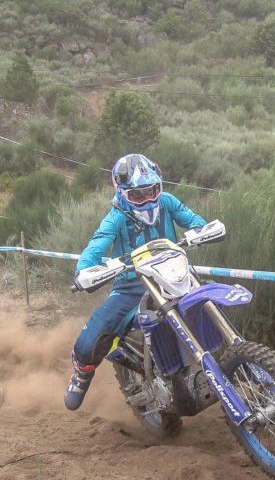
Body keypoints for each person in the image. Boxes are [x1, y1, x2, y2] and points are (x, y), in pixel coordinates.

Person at [64, 153, 207, 411]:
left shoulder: (167, 202)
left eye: (152, 191)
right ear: (121, 193)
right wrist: (84, 271)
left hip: (173, 276)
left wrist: (201, 231)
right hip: (131, 287)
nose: (148, 199)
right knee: (90, 340)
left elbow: (193, 220)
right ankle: (81, 375)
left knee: (208, 298)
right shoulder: (116, 218)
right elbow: (96, 246)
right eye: (138, 195)